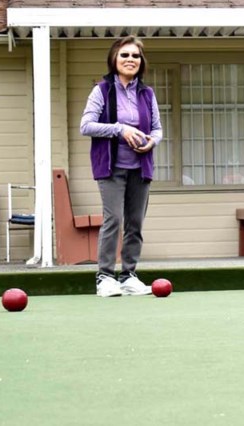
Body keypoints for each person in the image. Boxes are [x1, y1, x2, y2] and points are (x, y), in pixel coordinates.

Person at [80, 36, 163, 297]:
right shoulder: (102, 90)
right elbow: (86, 126)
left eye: (135, 56)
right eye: (124, 55)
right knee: (113, 219)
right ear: (114, 60)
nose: (130, 60)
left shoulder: (147, 93)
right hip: (111, 168)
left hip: (140, 168)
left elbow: (158, 129)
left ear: (141, 61)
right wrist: (120, 129)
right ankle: (105, 277)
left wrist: (152, 142)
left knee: (135, 223)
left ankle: (128, 276)